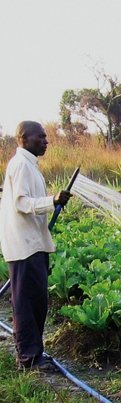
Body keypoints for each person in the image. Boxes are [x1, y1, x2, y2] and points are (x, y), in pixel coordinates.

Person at [0, 121, 71, 372]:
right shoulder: (20, 165)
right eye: (40, 137)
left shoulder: (29, 165)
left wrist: (52, 201)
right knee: (27, 304)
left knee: (37, 301)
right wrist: (52, 200)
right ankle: (29, 358)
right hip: (24, 246)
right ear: (23, 138)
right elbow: (21, 203)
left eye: (45, 137)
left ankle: (34, 354)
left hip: (33, 244)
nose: (45, 141)